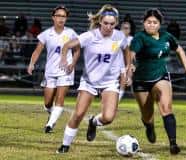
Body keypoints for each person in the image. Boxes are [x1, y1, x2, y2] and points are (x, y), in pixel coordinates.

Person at [56, 4, 131, 153]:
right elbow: (66, 45)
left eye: (112, 24)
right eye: (105, 23)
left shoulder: (119, 36)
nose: (108, 27)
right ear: (100, 22)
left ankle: (93, 122)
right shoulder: (89, 36)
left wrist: (128, 68)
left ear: (116, 23)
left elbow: (127, 51)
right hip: (89, 81)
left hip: (110, 82)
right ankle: (65, 145)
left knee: (108, 117)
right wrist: (64, 59)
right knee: (78, 114)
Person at [129, 8, 186, 155]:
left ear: (159, 24)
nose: (151, 25)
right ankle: (149, 126)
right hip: (141, 80)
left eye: (155, 22)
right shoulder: (139, 38)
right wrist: (129, 70)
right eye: (148, 22)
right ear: (144, 23)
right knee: (147, 115)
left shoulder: (167, 37)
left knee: (166, 108)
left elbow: (179, 50)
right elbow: (132, 55)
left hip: (161, 76)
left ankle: (173, 143)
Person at [27, 5, 80, 133]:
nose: (61, 18)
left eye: (64, 16)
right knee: (48, 103)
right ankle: (52, 114)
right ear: (53, 17)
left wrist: (72, 63)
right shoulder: (46, 34)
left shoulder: (71, 33)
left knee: (60, 99)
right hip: (50, 71)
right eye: (58, 16)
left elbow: (77, 50)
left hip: (65, 71)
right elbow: (37, 51)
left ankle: (49, 125)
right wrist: (31, 63)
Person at [118, 16, 135, 100]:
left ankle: (118, 99)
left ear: (130, 30)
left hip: (126, 64)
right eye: (123, 28)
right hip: (115, 63)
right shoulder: (115, 38)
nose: (125, 30)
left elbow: (133, 54)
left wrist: (132, 64)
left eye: (127, 28)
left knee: (125, 81)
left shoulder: (132, 40)